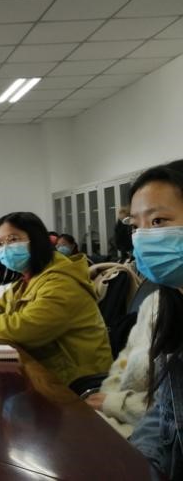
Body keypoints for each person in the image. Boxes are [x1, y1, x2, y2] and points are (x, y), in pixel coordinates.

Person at [0, 212, 112, 386]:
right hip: (42, 371)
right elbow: (0, 304)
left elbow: (25, 328)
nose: (5, 248)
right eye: (0, 243)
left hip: (73, 382)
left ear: (36, 240)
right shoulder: (31, 277)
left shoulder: (61, 281)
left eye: (13, 240)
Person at [128, 159, 183, 478]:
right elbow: (165, 414)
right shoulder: (171, 305)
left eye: (158, 221)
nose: (142, 238)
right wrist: (131, 463)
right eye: (136, 226)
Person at [84, 290, 158, 438]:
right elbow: (126, 357)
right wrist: (108, 395)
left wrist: (114, 404)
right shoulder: (156, 300)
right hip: (114, 412)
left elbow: (169, 414)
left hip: (148, 431)